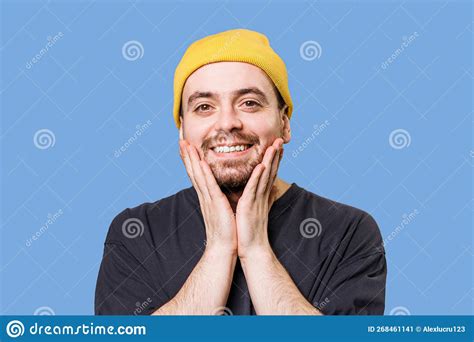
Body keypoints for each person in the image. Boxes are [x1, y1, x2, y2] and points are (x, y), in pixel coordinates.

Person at [95, 28, 387, 315]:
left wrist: (256, 250)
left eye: (249, 103)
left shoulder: (349, 232)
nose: (227, 123)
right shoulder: (136, 232)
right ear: (182, 129)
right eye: (204, 106)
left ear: (284, 123)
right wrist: (219, 250)